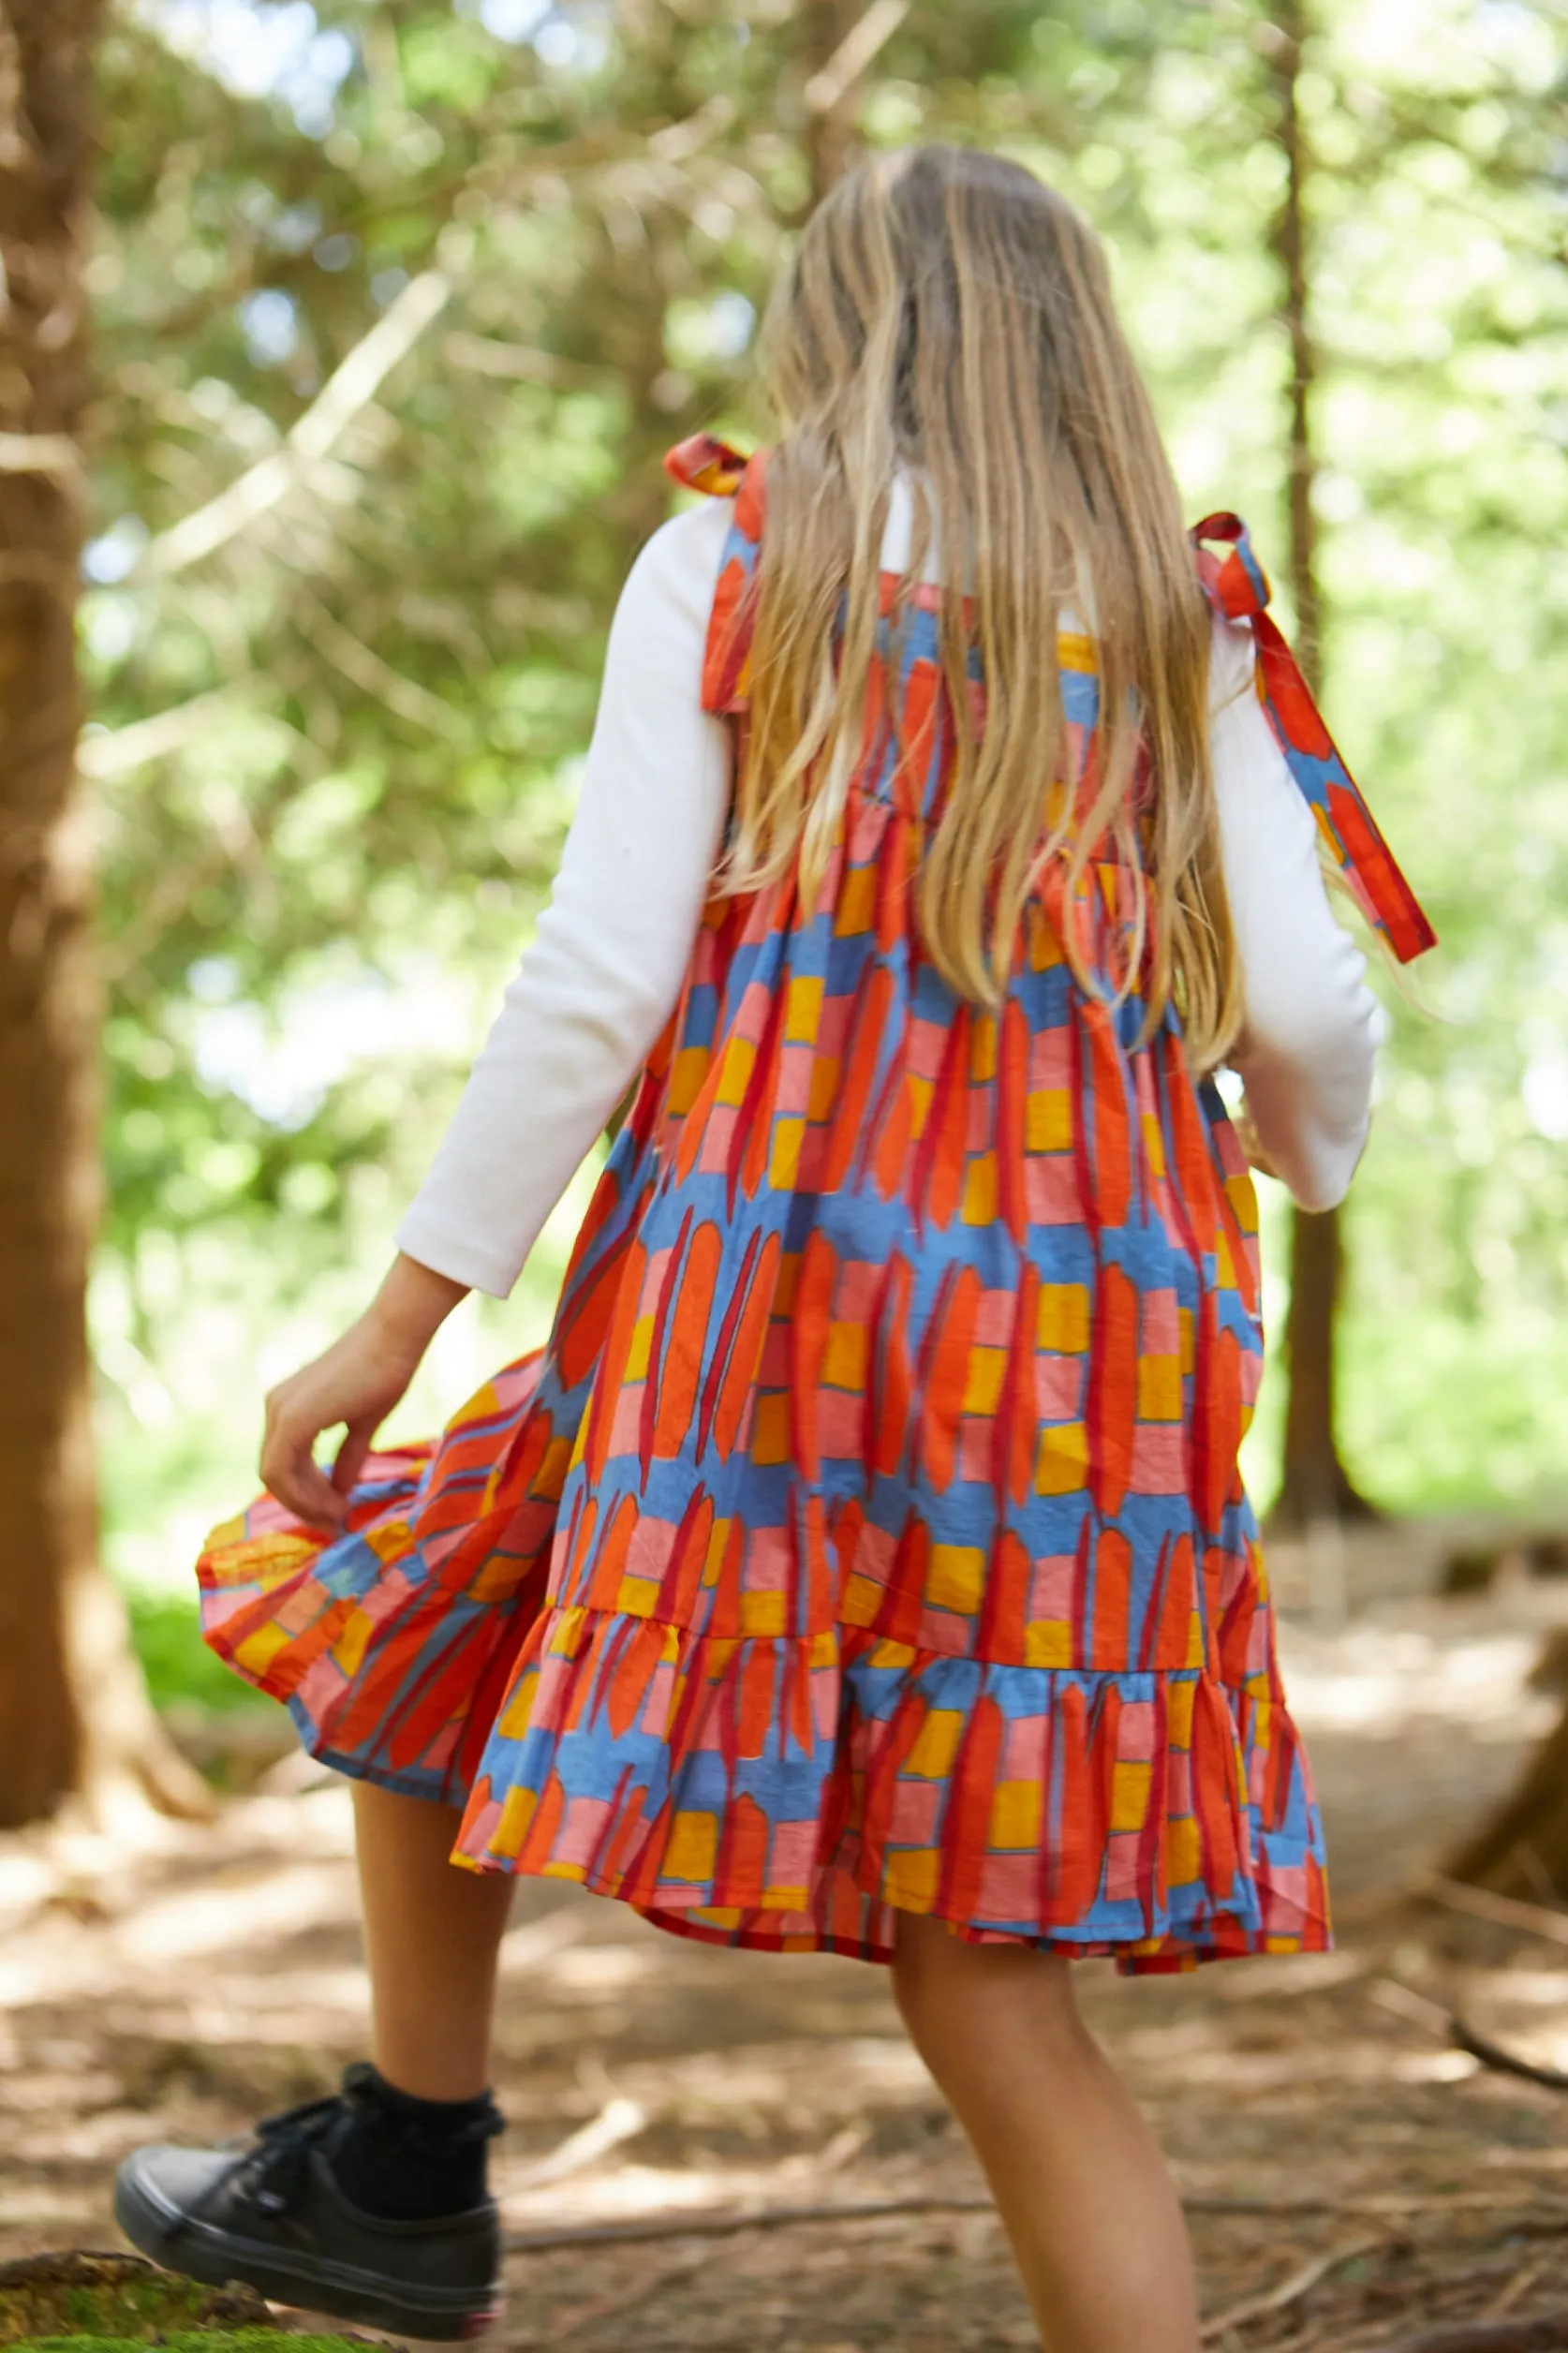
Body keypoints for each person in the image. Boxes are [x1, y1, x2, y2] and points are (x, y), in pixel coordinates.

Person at [114, 145, 1434, 2351]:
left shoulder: (741, 555)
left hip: (778, 1284)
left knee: (443, 1590)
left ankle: (414, 2165)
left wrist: (402, 1313)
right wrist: (1298, 1163)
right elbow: (1302, 1014)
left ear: (839, 332)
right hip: (1091, 1333)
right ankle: (401, 2168)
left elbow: (599, 971)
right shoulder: (1179, 609)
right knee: (989, 1969)